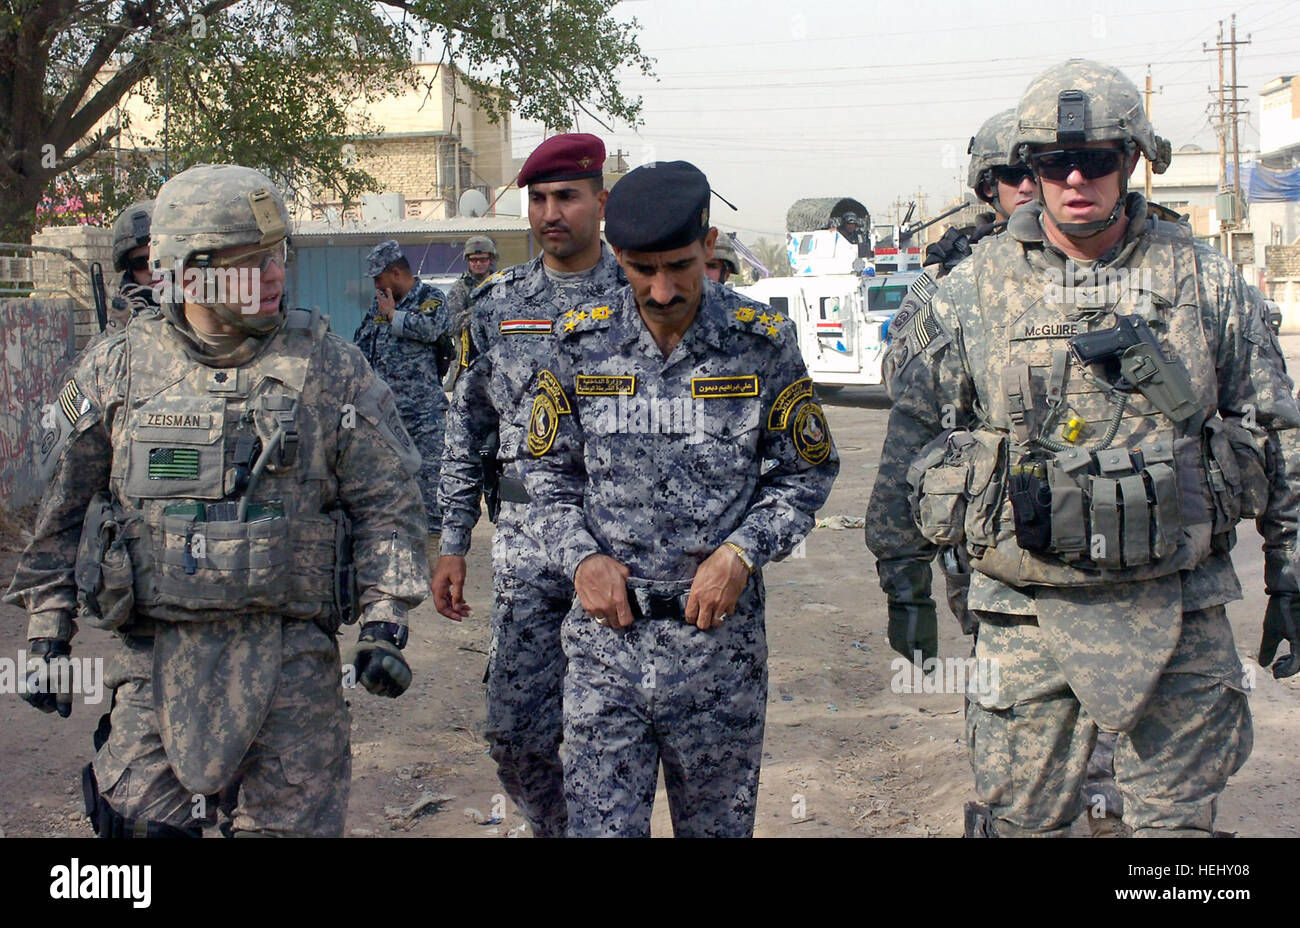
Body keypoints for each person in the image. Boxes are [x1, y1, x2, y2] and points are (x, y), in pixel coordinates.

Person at [867, 59, 1300, 837]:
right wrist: (904, 582)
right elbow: (912, 440)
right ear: (1027, 169)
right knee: (1026, 820)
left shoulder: (1206, 283)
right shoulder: (970, 291)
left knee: (1175, 832)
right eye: (1050, 162)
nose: (1073, 179)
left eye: (1096, 159)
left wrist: (1292, 578)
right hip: (1026, 610)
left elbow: (1279, 431)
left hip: (1182, 600)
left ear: (1132, 159)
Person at [4, 163, 429, 837]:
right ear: (187, 269)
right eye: (249, 263)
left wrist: (384, 621)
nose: (273, 276)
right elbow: (58, 516)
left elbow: (389, 505)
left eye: (277, 256)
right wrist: (46, 635)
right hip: (154, 659)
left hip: (292, 660)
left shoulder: (329, 366)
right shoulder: (115, 368)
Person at [519, 160, 839, 837]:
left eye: (680, 267)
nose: (662, 291)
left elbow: (805, 473)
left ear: (710, 244)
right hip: (606, 648)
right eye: (641, 270)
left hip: (718, 653)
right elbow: (546, 477)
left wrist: (742, 554)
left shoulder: (761, 343)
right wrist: (581, 561)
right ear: (616, 257)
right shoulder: (580, 341)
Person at [887, 108, 1126, 836]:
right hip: (998, 535)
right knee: (1016, 698)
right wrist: (903, 570)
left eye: (1041, 170)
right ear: (987, 189)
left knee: (1114, 693)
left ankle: (1104, 799)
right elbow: (911, 412)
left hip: (1113, 528)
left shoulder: (1115, 263)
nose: (1032, 186)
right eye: (1014, 176)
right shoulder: (952, 286)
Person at [431, 133, 624, 838]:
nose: (551, 212)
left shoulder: (642, 292)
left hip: (620, 549)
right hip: (525, 552)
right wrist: (453, 540)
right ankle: (555, 826)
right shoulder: (495, 305)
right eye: (538, 199)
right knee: (514, 737)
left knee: (615, 736)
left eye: (566, 196)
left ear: (599, 202)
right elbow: (467, 430)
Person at [353, 239, 454, 563]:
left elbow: (430, 328)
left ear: (395, 273)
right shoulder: (380, 304)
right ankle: (397, 553)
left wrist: (394, 315)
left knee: (429, 482)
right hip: (386, 413)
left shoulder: (430, 298)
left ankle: (434, 559)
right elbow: (363, 343)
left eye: (379, 278)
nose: (376, 285)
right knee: (388, 484)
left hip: (424, 412)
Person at [95, 200, 160, 343]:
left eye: (159, 261)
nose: (151, 270)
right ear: (129, 269)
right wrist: (117, 328)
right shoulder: (125, 317)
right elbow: (85, 364)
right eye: (140, 262)